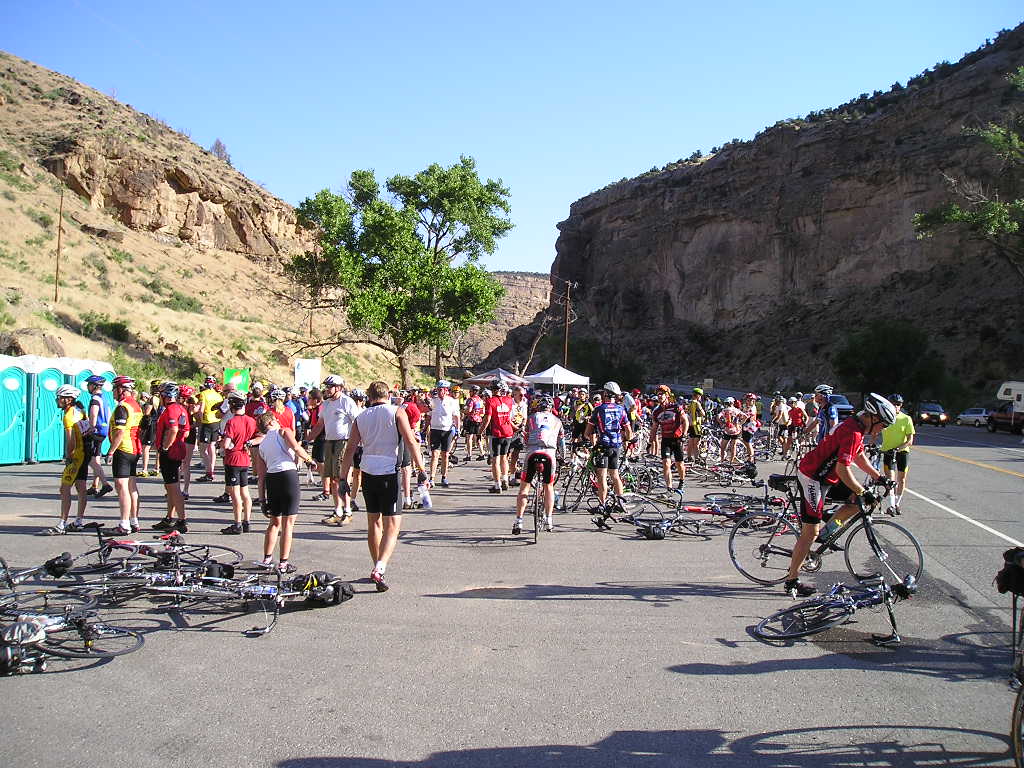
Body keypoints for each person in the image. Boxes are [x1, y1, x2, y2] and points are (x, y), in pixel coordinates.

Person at [784, 393, 897, 597]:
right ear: (873, 418)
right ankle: (792, 579)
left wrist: (878, 477)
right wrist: (862, 490)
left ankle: (828, 531)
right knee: (810, 531)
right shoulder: (852, 431)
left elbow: (859, 455)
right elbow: (844, 469)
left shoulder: (858, 426)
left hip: (828, 476)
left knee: (859, 502)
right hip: (812, 477)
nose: (883, 430)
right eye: (883, 425)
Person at [338, 381, 428, 591]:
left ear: (369, 397)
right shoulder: (397, 412)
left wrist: (343, 477)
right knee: (392, 526)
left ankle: (376, 565)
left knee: (374, 523)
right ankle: (380, 567)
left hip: (369, 471)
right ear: (388, 394)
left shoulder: (361, 416)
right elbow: (410, 441)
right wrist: (421, 471)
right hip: (390, 471)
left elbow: (350, 448)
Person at [251, 411, 319, 573]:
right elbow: (296, 448)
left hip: (272, 479)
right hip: (288, 476)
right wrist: (310, 461)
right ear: (272, 422)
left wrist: (262, 500)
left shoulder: (262, 445)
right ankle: (283, 563)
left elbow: (261, 476)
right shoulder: (284, 432)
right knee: (288, 523)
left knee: (274, 522)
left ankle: (267, 558)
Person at [306, 375, 359, 525]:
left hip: (344, 442)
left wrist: (355, 443)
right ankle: (338, 511)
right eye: (326, 387)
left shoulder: (347, 402)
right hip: (329, 442)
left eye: (330, 387)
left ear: (339, 388)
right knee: (333, 479)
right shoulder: (327, 404)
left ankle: (347, 511)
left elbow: (357, 422)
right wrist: (307, 439)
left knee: (342, 478)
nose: (327, 390)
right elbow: (320, 424)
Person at [512, 396, 565, 534]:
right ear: (552, 408)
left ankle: (519, 521)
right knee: (549, 486)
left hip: (532, 452)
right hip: (549, 454)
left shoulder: (531, 417)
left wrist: (526, 446)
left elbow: (525, 436)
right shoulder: (558, 421)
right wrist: (563, 457)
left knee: (524, 488)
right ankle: (549, 520)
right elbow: (561, 442)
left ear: (538, 406)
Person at [47, 385, 92, 534]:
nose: (57, 400)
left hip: (76, 456)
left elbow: (70, 439)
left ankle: (62, 524)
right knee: (81, 487)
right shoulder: (80, 410)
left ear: (69, 399)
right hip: (85, 453)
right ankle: (78, 521)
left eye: (60, 398)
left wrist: (69, 455)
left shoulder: (68, 416)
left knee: (65, 488)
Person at [584, 381, 634, 507]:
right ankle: (620, 503)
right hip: (616, 446)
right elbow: (628, 431)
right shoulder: (621, 409)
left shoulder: (599, 409)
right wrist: (627, 440)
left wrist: (586, 438)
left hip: (603, 446)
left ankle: (602, 504)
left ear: (605, 393)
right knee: (615, 475)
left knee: (602, 477)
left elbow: (588, 431)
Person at [104, 376, 142, 534]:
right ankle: (134, 520)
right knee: (132, 486)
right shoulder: (135, 405)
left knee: (121, 486)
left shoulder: (123, 407)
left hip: (123, 448)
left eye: (114, 388)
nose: (113, 392)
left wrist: (111, 451)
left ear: (121, 390)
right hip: (134, 448)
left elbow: (119, 431)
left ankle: (124, 524)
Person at [151, 382, 191, 533]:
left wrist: (166, 447)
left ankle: (181, 520)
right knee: (170, 486)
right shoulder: (182, 409)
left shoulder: (171, 410)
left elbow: (174, 429)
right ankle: (169, 517)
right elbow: (185, 432)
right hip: (178, 450)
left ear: (165, 396)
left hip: (170, 453)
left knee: (174, 488)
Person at [220, 392, 258, 534]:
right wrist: (248, 443)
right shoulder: (251, 420)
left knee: (235, 493)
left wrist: (223, 444)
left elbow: (227, 443)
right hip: (245, 459)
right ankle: (247, 521)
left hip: (233, 459)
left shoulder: (232, 422)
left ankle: (237, 523)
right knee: (245, 492)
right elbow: (259, 436)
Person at [879, 393, 915, 515]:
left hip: (902, 453)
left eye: (898, 404)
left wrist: (899, 448)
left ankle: (897, 503)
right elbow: (874, 432)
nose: (896, 407)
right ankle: (891, 505)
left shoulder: (906, 419)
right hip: (888, 452)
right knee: (891, 479)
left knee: (902, 479)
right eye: (893, 404)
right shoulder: (884, 418)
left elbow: (910, 440)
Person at [652, 385, 689, 491]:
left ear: (667, 395)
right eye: (658, 394)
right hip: (666, 440)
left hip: (677, 439)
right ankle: (669, 486)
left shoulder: (676, 407)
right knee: (666, 463)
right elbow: (655, 427)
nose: (659, 396)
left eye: (661, 394)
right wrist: (651, 441)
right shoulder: (656, 411)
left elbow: (685, 420)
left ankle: (682, 481)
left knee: (679, 463)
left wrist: (684, 434)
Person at [481, 381, 515, 493]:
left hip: (496, 433)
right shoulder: (510, 400)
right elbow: (510, 417)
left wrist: (480, 431)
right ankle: (505, 478)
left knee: (495, 459)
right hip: (508, 432)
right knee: (504, 457)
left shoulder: (490, 401)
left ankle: (497, 485)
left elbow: (487, 419)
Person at [83, 375, 113, 498]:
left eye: (89, 384)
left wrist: (90, 428)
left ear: (94, 386)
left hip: (96, 431)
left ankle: (105, 484)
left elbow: (94, 414)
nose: (87, 386)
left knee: (91, 460)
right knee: (96, 458)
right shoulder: (104, 398)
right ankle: (95, 486)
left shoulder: (95, 399)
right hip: (104, 430)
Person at [428, 381, 460, 488]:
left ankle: (444, 476)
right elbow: (429, 415)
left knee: (445, 455)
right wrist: (425, 429)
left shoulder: (452, 402)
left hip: (447, 430)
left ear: (446, 390)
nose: (439, 391)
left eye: (441, 389)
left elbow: (456, 416)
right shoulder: (433, 401)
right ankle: (431, 478)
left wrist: (458, 429)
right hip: (435, 430)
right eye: (437, 389)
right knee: (434, 454)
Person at [195, 375, 223, 483]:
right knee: (212, 447)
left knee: (202, 450)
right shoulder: (218, 396)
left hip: (207, 422)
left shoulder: (203, 394)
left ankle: (209, 472)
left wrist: (200, 421)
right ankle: (212, 470)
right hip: (216, 422)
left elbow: (201, 410)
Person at [507, 386, 529, 487]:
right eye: (520, 395)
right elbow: (507, 418)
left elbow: (525, 417)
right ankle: (504, 474)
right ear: (514, 394)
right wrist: (515, 427)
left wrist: (523, 425)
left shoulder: (524, 404)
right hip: (510, 430)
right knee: (506, 454)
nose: (522, 396)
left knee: (516, 454)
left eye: (523, 394)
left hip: (519, 431)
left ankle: (512, 475)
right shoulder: (510, 403)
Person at [717, 397, 746, 463]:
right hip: (736, 430)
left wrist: (721, 423)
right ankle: (731, 461)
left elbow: (718, 417)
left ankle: (722, 460)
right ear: (732, 403)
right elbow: (745, 416)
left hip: (727, 430)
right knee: (733, 446)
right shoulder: (737, 410)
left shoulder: (724, 410)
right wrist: (740, 424)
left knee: (723, 447)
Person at [462, 385, 485, 461]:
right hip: (479, 420)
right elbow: (482, 412)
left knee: (469, 438)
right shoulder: (480, 400)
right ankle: (482, 453)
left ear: (473, 391)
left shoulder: (470, 400)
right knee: (478, 437)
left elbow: (469, 410)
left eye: (470, 391)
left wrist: (463, 411)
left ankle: (469, 455)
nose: (469, 392)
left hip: (471, 419)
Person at [686, 388, 706, 462]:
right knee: (697, 443)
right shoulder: (697, 403)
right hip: (696, 425)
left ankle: (689, 457)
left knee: (690, 442)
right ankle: (697, 459)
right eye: (700, 396)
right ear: (698, 396)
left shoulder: (689, 402)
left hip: (690, 424)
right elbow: (703, 413)